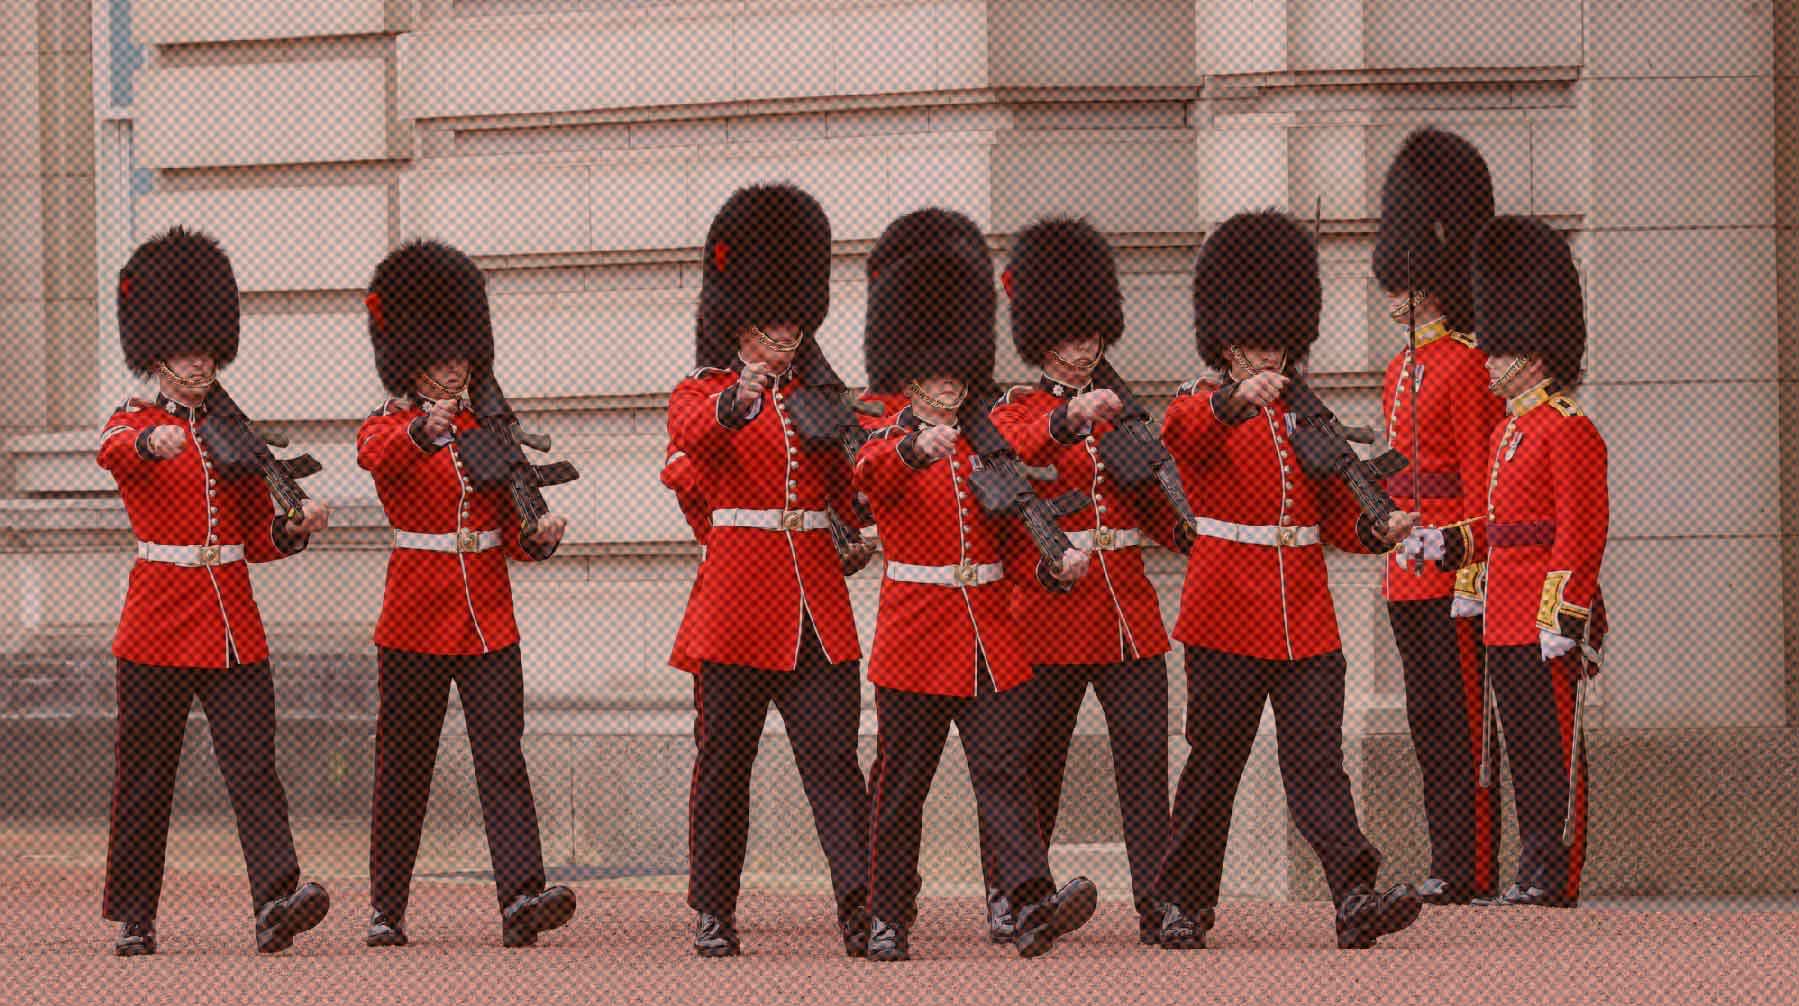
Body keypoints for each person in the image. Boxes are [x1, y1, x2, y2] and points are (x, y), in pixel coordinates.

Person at [1152, 211, 1423, 951]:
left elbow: (1334, 511)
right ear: (1225, 341)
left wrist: (1376, 529)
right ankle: (1181, 900)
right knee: (1214, 766)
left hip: (1301, 614)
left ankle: (1352, 893)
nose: (1266, 352)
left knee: (1316, 765)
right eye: (1250, 341)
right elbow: (1182, 438)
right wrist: (1238, 399)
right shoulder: (1201, 404)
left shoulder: (1309, 417)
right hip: (1225, 615)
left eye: (1276, 340)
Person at [854, 246, 1099, 962]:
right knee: (902, 786)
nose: (949, 386)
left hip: (987, 636)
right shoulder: (888, 435)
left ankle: (1027, 902)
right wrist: (913, 453)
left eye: (958, 373)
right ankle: (887, 914)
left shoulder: (984, 447)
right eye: (936, 374)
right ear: (911, 376)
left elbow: (1011, 541)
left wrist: (1056, 567)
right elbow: (870, 478)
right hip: (916, 636)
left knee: (1004, 774)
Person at [97, 227, 332, 956]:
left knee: (253, 767)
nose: (199, 364)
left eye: (207, 352)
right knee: (146, 777)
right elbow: (110, 448)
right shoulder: (136, 421)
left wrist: (294, 528)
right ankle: (137, 916)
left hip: (231, 625)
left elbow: (253, 539)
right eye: (186, 352)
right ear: (157, 355)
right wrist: (148, 445)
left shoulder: (235, 435)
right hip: (159, 625)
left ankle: (276, 898)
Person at [666, 183, 872, 958]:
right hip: (737, 607)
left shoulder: (822, 399)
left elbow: (855, 488)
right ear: (738, 325)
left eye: (791, 320)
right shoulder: (706, 391)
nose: (782, 332)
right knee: (724, 764)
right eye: (766, 321)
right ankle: (713, 907)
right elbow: (689, 433)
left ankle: (861, 902)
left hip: (814, 605)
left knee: (832, 763)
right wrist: (736, 404)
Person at [357, 240, 577, 949]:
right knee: (405, 768)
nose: (455, 369)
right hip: (416, 618)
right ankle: (386, 906)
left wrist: (538, 536)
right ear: (411, 363)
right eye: (441, 358)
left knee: (502, 759)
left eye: (462, 356)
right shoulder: (390, 425)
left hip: (487, 618)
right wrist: (425, 430)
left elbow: (509, 533)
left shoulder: (491, 431)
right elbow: (377, 457)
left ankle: (520, 896)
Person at [1400, 216, 1608, 908]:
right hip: (1500, 611)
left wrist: (1564, 614)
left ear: (1532, 354)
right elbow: (1495, 524)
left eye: (1499, 352)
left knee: (1551, 748)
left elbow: (1579, 533)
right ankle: (1530, 861)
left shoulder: (1567, 428)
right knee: (1518, 747)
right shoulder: (1512, 430)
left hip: (1542, 610)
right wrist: (1451, 545)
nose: (1486, 362)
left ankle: (1555, 869)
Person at [983, 217, 1174, 945]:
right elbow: (1020, 447)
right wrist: (1069, 418)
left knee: (1144, 766)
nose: (1082, 347)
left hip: (1126, 612)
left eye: (1091, 334)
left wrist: (1182, 521)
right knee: (1034, 769)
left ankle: (1159, 900)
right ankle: (1013, 894)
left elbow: (1149, 505)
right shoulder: (1018, 410)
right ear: (1041, 340)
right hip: (1051, 609)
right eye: (1067, 336)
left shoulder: (1124, 413)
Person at [1371, 128, 1508, 904]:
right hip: (1406, 565)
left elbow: (1481, 475)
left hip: (1454, 564)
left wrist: (1472, 566)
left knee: (1460, 726)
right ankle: (1446, 855)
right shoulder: (1400, 366)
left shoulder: (1462, 363)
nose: (1391, 287)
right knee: (1428, 724)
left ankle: (1469, 864)